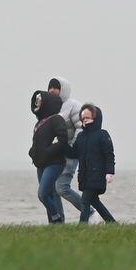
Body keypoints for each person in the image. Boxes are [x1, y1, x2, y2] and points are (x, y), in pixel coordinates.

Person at [29, 89, 73, 223]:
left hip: (54, 163)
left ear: (47, 103)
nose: (37, 103)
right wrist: (32, 152)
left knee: (42, 194)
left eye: (39, 101)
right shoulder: (38, 123)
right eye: (36, 101)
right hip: (41, 164)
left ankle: (57, 218)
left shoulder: (56, 119)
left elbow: (62, 140)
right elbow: (37, 143)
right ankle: (54, 224)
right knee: (49, 194)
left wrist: (47, 152)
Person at [47, 78, 86, 218]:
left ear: (63, 89)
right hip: (55, 153)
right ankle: (59, 220)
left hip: (70, 153)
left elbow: (81, 128)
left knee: (62, 187)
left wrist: (72, 147)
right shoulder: (49, 107)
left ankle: (89, 211)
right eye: (50, 87)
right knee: (52, 187)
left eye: (56, 87)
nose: (52, 90)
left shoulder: (74, 105)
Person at [73, 104, 117, 223]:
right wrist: (61, 144)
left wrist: (110, 172)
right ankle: (112, 223)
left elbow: (109, 155)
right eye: (83, 118)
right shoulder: (81, 136)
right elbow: (74, 153)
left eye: (88, 117)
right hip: (84, 176)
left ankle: (82, 226)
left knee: (85, 200)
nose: (85, 120)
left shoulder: (102, 134)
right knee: (94, 201)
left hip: (97, 175)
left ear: (95, 118)